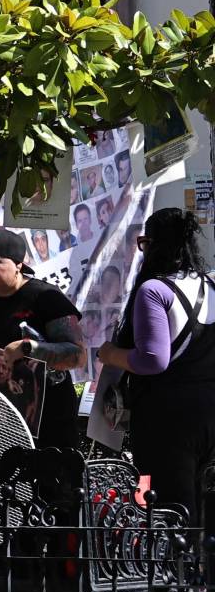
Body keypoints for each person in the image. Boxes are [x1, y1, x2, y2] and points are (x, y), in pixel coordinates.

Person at [96, 208, 215, 519]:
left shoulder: (154, 290)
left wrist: (110, 354)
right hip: (210, 411)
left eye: (144, 243)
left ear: (154, 245)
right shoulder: (211, 284)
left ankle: (177, 569)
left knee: (172, 515)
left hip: (169, 421)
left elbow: (152, 359)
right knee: (206, 512)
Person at [0, 230, 86, 446]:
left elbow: (78, 355)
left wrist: (30, 348)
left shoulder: (47, 297)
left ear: (18, 264)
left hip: (49, 422)